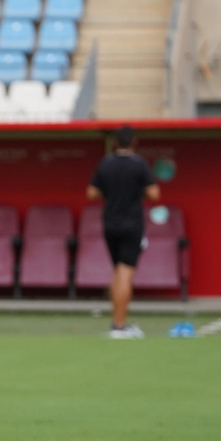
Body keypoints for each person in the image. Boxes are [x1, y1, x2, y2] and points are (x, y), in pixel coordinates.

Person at [86, 125, 160, 339]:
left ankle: (116, 324)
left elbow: (91, 193)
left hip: (110, 224)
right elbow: (154, 194)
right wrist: (136, 189)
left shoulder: (105, 163)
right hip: (132, 225)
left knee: (117, 272)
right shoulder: (139, 164)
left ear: (115, 142)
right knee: (126, 273)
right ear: (134, 142)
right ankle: (120, 327)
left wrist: (111, 189)